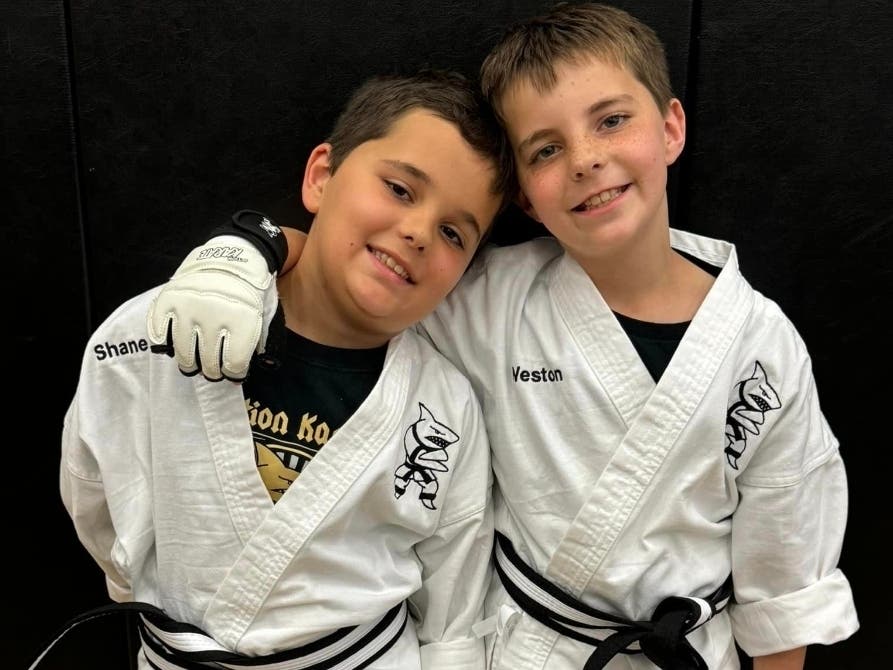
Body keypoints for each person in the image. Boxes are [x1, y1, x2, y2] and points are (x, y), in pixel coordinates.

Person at [146, 3, 859, 668]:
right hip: (524, 648)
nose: (584, 158)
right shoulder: (492, 296)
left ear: (670, 128)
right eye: (545, 150)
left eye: (610, 121)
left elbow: (783, 585)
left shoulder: (764, 350)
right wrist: (248, 252)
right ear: (523, 196)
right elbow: (361, 268)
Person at [44, 69, 516, 670]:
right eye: (400, 188)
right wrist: (135, 584)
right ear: (322, 176)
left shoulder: (444, 408)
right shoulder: (157, 331)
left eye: (454, 232)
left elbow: (455, 593)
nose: (420, 231)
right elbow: (92, 487)